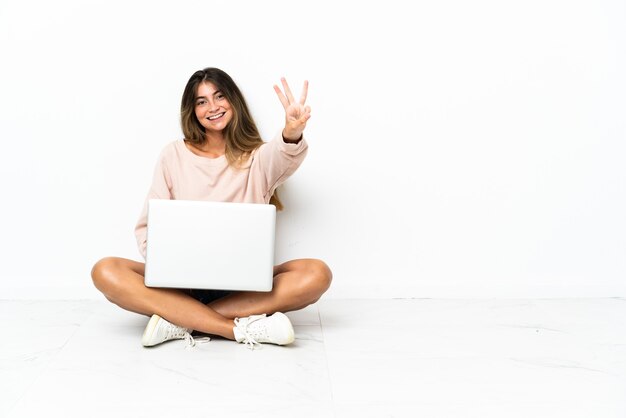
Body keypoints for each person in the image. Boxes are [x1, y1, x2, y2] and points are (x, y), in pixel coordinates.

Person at [91, 67, 332, 349]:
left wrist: (291, 132)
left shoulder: (258, 158)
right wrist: (173, 263)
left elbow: (283, 154)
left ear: (234, 101)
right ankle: (235, 328)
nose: (213, 107)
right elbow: (148, 229)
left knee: (317, 273)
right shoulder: (173, 154)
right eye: (201, 101)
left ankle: (179, 318)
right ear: (192, 111)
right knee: (105, 269)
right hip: (180, 283)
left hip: (245, 285)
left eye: (219, 97)